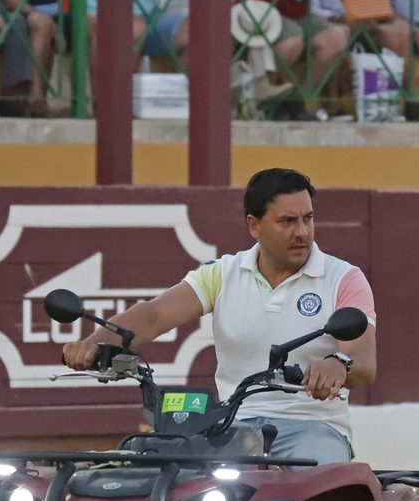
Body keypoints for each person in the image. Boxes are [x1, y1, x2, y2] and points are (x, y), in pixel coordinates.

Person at [61, 168, 378, 465]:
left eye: (308, 219)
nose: (302, 232)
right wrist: (93, 344)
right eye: (287, 221)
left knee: (322, 493)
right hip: (231, 426)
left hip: (314, 427)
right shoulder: (223, 274)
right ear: (254, 225)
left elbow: (363, 360)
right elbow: (154, 315)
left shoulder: (344, 278)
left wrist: (339, 363)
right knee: (167, 481)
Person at [234, 0, 355, 119]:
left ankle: (297, 100)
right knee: (292, 40)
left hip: (299, 16)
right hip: (260, 14)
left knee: (336, 37)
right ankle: (260, 100)